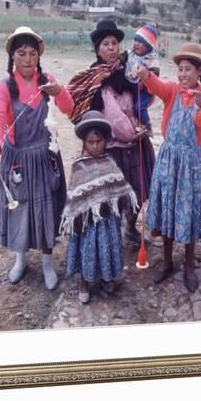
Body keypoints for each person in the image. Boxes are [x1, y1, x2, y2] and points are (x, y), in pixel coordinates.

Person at [0, 26, 74, 290]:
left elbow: (69, 108)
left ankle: (48, 264)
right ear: (13, 56)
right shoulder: (6, 86)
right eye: (21, 53)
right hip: (18, 159)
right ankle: (20, 259)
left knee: (45, 209)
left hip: (45, 156)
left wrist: (59, 91)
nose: (27, 59)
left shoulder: (47, 80)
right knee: (20, 209)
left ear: (39, 56)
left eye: (32, 53)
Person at [136, 42, 201, 293]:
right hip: (169, 161)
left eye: (188, 69)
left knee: (189, 214)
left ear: (199, 73)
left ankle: (187, 265)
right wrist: (145, 75)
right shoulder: (172, 91)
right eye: (180, 69)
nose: (183, 74)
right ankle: (166, 262)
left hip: (191, 166)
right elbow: (157, 86)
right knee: (167, 211)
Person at [67, 19, 155, 244]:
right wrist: (129, 131)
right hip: (113, 143)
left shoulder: (128, 69)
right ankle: (113, 233)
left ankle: (131, 227)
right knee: (113, 192)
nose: (111, 48)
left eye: (114, 43)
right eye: (105, 44)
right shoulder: (95, 77)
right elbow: (111, 112)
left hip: (137, 140)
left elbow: (143, 96)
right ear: (97, 49)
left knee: (138, 188)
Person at [60, 111, 138, 304]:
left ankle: (105, 276)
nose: (95, 146)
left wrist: (124, 199)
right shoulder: (79, 166)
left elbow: (119, 188)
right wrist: (77, 215)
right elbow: (75, 197)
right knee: (88, 249)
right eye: (90, 142)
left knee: (107, 247)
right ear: (84, 143)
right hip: (87, 225)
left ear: (105, 141)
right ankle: (85, 281)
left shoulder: (110, 163)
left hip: (108, 222)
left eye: (98, 141)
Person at [124, 23, 160, 136]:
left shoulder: (151, 58)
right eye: (136, 40)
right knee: (128, 107)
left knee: (139, 107)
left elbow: (155, 73)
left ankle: (147, 125)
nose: (136, 44)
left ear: (148, 46)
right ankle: (136, 126)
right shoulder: (130, 54)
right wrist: (118, 60)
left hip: (144, 90)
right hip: (131, 87)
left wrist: (145, 80)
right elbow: (122, 57)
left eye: (141, 42)